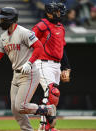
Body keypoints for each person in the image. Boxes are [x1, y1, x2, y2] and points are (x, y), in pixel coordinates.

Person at [0, 7, 56, 131]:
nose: (1, 21)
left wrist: (30, 63)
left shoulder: (24, 32)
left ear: (11, 19)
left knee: (21, 106)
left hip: (29, 73)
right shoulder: (3, 37)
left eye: (3, 19)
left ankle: (48, 109)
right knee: (15, 110)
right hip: (16, 75)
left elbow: (39, 47)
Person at [32, 2, 71, 131]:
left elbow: (62, 48)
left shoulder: (61, 27)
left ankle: (47, 127)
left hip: (56, 65)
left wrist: (66, 67)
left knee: (53, 98)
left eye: (60, 11)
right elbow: (29, 41)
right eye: (57, 11)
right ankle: (44, 127)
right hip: (43, 63)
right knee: (52, 92)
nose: (60, 14)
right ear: (49, 13)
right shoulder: (41, 25)